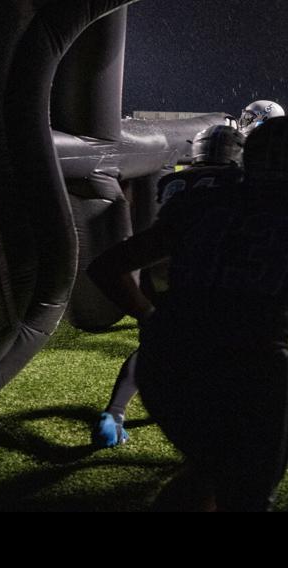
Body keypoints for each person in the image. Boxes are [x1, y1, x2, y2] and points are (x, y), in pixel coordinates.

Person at [86, 117, 288, 511]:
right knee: (246, 491)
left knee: (208, 471)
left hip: (167, 358)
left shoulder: (200, 201)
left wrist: (152, 319)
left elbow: (107, 268)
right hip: (249, 364)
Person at [92, 123, 245, 447]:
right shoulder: (237, 181)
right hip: (201, 266)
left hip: (157, 263)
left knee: (155, 341)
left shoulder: (174, 179)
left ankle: (114, 412)